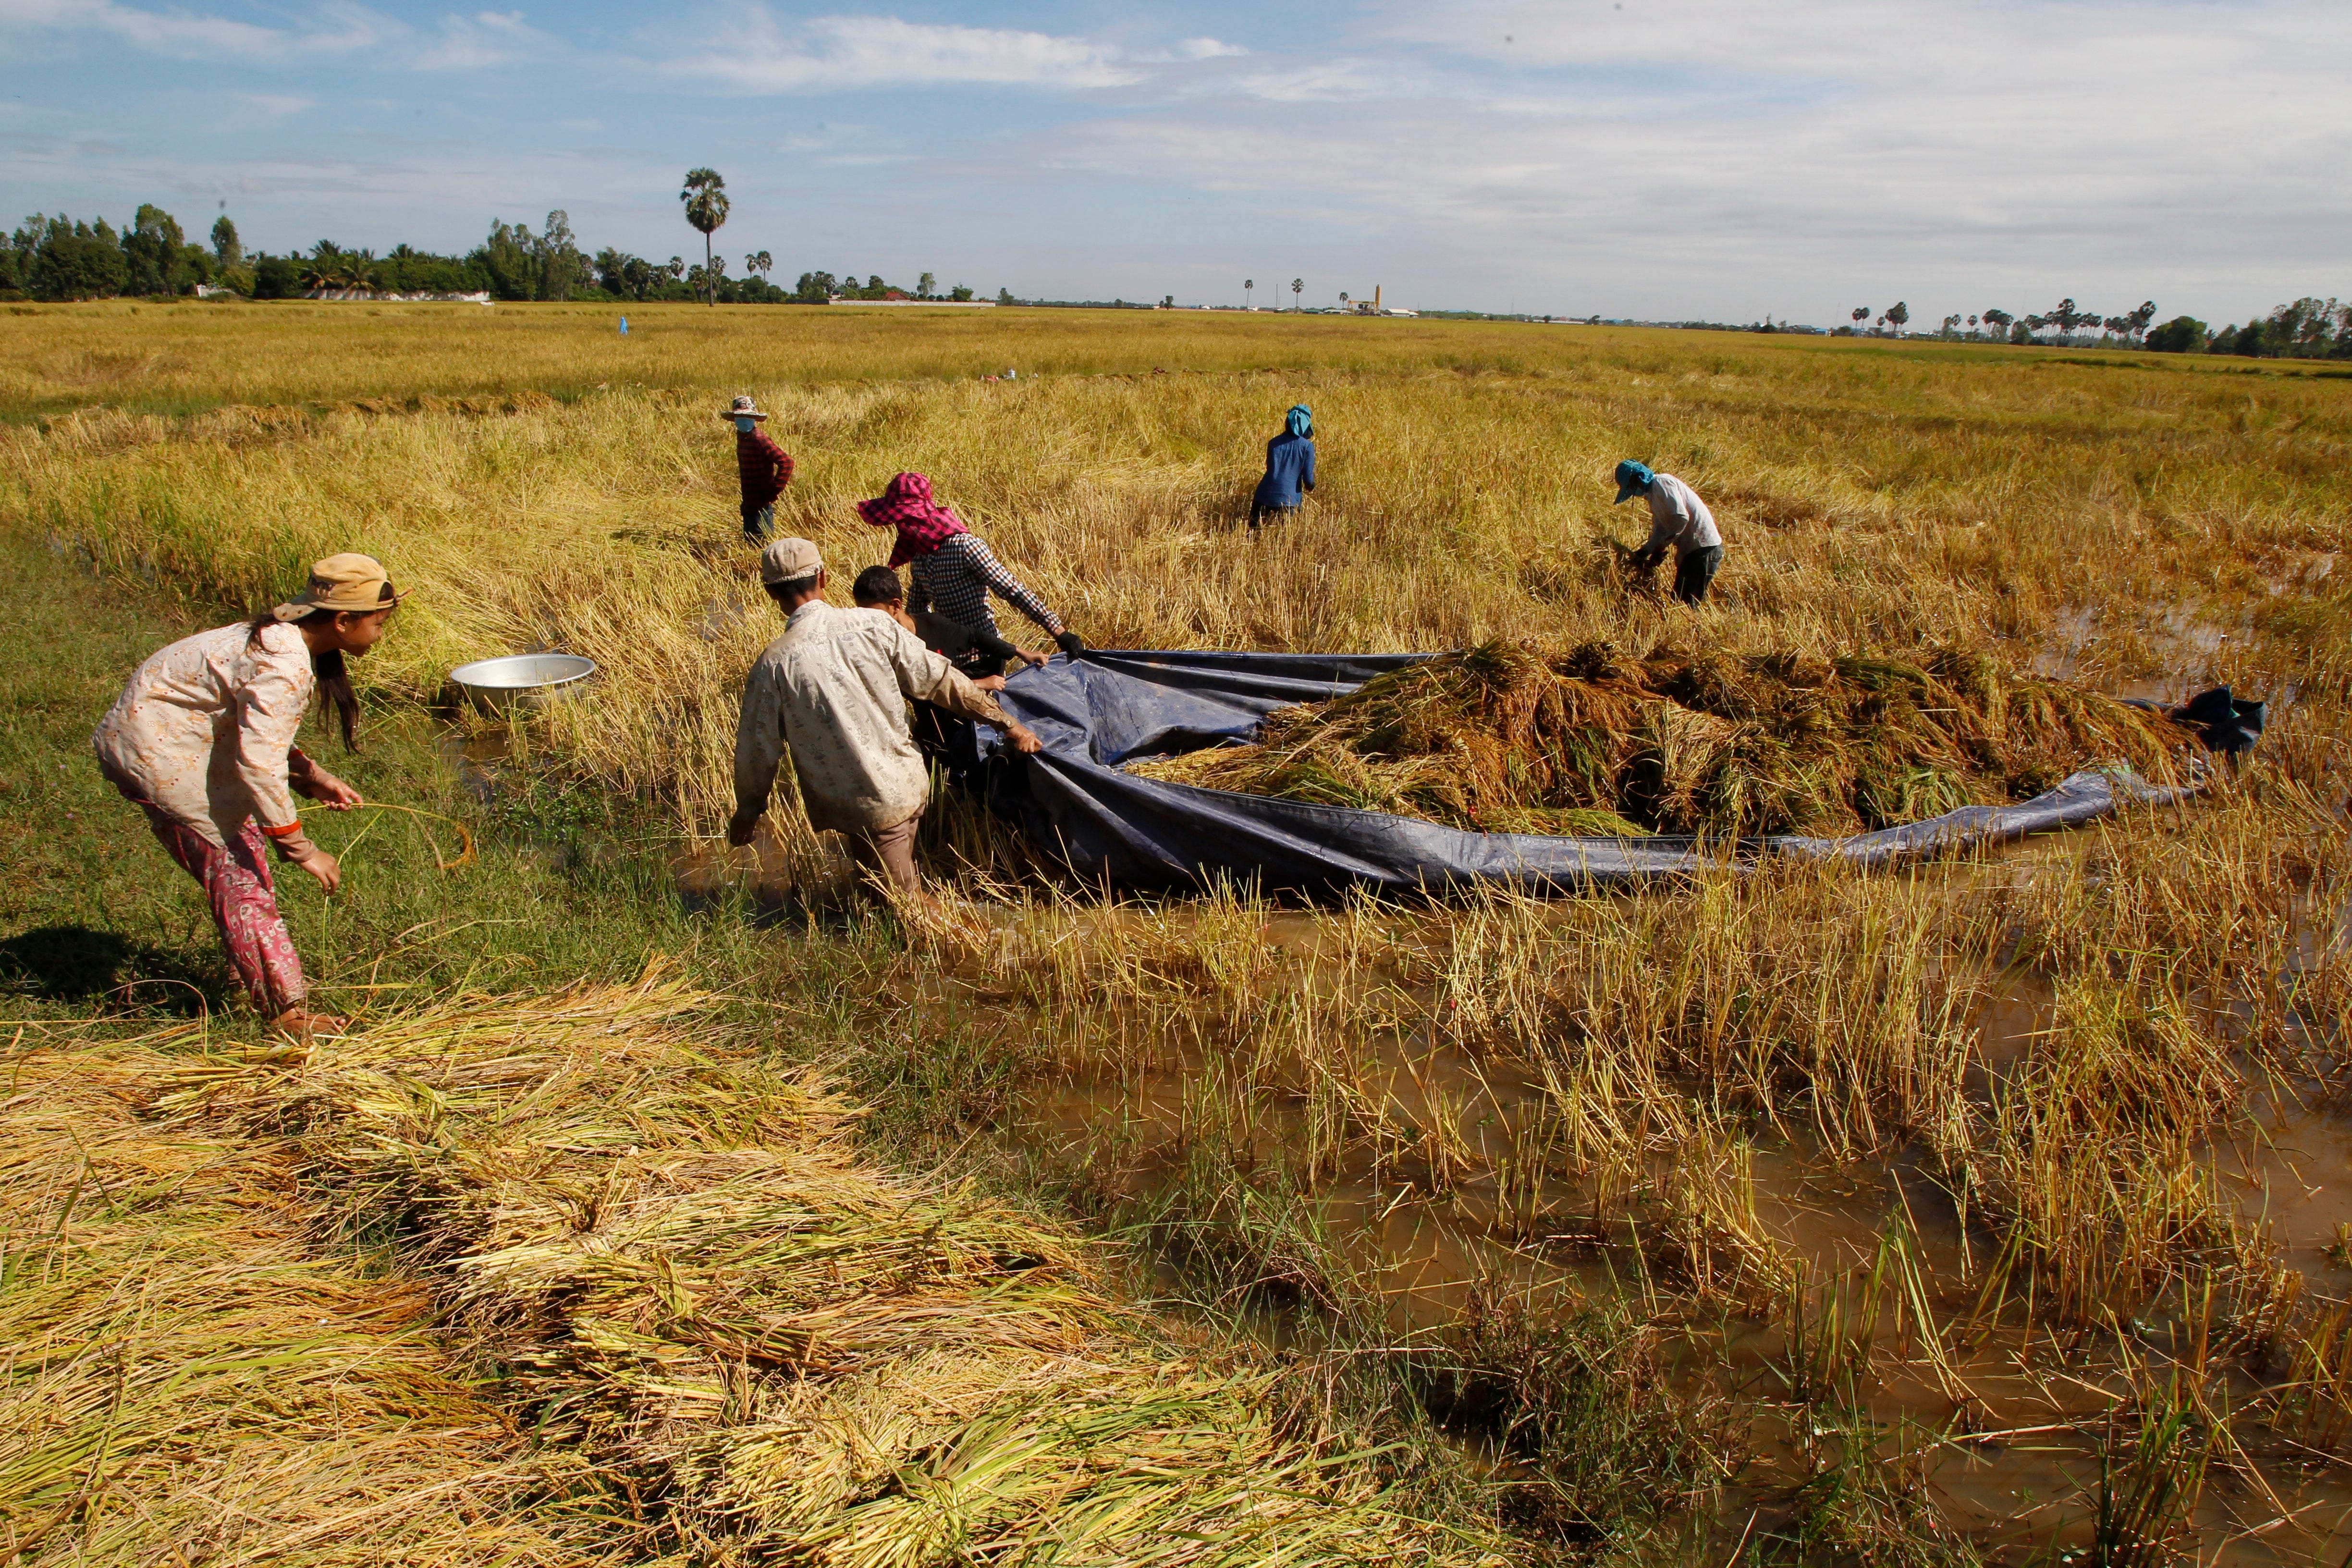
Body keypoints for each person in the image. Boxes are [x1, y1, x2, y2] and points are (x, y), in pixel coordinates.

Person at [91, 553, 402, 1040]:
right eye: (379, 625)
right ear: (343, 622)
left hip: (171, 743)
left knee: (242, 872)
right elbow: (259, 763)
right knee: (241, 879)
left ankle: (254, 976)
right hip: (156, 754)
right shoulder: (285, 663)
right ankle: (287, 1012)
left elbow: (256, 727)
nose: (380, 636)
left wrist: (309, 776)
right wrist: (300, 847)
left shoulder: (281, 641)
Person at [728, 538, 1045, 902]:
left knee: (907, 909)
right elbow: (944, 680)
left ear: (770, 592)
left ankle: (974, 945)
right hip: (906, 783)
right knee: (878, 894)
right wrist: (1008, 723)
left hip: (868, 802)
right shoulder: (874, 625)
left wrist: (749, 811)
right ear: (824, 577)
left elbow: (758, 748)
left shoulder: (774, 663)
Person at [851, 564, 1046, 794]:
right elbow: (926, 689)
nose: (869, 624)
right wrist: (979, 684)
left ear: (896, 606)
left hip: (966, 719)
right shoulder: (882, 651)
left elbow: (975, 637)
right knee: (951, 788)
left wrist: (1019, 652)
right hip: (934, 731)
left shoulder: (932, 625)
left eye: (874, 615)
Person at [857, 472, 1085, 659]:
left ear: (917, 516)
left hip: (986, 652)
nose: (898, 526)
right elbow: (917, 610)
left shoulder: (965, 547)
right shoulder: (919, 555)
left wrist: (1059, 632)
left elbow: (1012, 590)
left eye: (901, 519)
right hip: (950, 653)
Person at [1614, 460, 1724, 605]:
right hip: (1694, 550)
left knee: (1685, 604)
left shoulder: (1662, 483)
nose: (1634, 492)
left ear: (1639, 478)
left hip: (1703, 548)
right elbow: (1661, 529)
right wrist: (1646, 551)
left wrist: (1661, 548)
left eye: (1632, 486)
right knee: (1680, 600)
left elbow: (1681, 518)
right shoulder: (1653, 495)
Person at [724, 394, 793, 544]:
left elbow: (787, 462)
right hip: (750, 503)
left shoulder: (759, 439)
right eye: (740, 417)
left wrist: (774, 489)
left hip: (761, 503)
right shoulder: (743, 437)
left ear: (754, 419)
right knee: (751, 542)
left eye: (747, 417)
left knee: (762, 544)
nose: (743, 421)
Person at [1250, 404, 1316, 530]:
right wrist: (1311, 486)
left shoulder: (1273, 442)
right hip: (1288, 499)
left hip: (1264, 493)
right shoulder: (1307, 446)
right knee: (1284, 537)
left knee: (1253, 534)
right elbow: (1308, 478)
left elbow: (1270, 467)